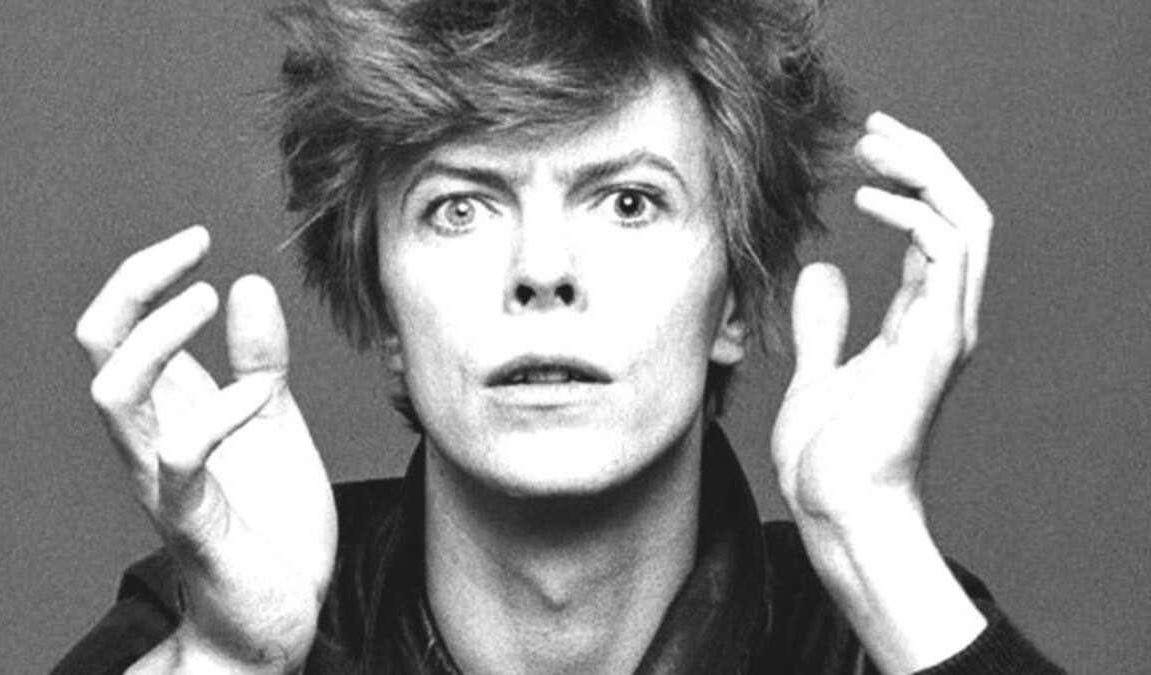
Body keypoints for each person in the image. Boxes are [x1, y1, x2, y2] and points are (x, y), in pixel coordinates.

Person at [54, 0, 1064, 673]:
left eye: (628, 201)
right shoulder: (219, 605)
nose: (542, 270)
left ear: (734, 302)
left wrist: (875, 545)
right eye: (460, 208)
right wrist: (229, 659)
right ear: (386, 310)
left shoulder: (881, 629)